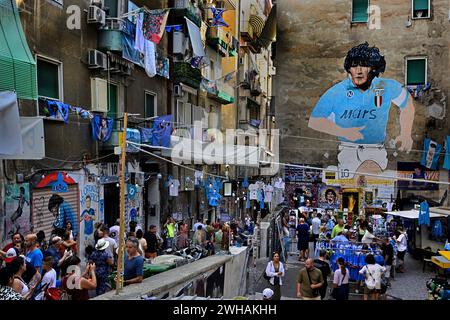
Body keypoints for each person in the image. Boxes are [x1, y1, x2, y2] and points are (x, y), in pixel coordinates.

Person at [308, 42, 414, 179]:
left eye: (363, 65)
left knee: (371, 184)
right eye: (354, 66)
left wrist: (406, 134)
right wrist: (344, 131)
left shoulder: (385, 86)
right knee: (350, 188)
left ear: (373, 68)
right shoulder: (337, 91)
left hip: (375, 150)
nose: (358, 70)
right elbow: (315, 121)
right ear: (348, 69)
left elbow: (407, 103)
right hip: (348, 149)